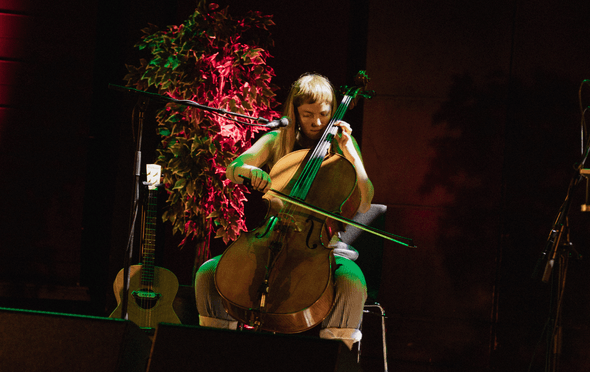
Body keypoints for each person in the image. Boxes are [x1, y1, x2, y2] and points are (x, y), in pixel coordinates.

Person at [194, 73, 374, 350]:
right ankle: (216, 352)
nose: (316, 122)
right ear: (295, 112)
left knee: (352, 281)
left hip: (319, 246)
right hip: (271, 236)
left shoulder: (342, 148)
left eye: (324, 114)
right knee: (208, 274)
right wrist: (250, 171)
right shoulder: (276, 140)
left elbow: (364, 203)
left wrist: (351, 155)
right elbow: (234, 167)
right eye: (307, 114)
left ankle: (338, 358)